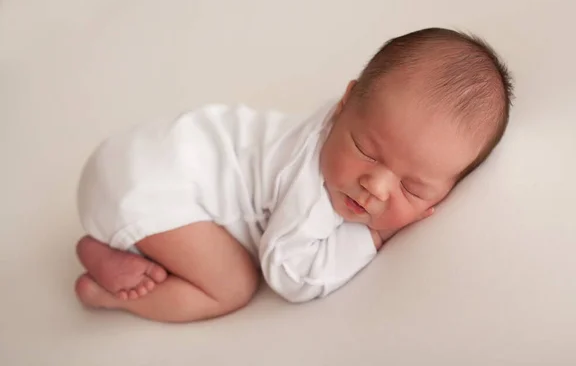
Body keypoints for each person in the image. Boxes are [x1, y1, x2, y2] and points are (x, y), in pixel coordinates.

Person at [74, 27, 513, 322]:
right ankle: (106, 293)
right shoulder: (310, 189)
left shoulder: (336, 130)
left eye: (411, 188)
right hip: (145, 185)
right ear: (346, 103)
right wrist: (372, 237)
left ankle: (120, 246)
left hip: (138, 154)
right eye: (365, 149)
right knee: (232, 285)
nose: (375, 185)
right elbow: (290, 276)